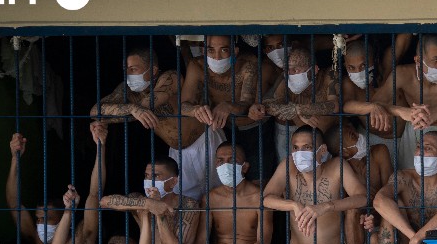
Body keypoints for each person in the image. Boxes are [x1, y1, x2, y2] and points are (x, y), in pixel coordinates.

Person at [99, 157, 200, 244]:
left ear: (173, 182)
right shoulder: (140, 201)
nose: (149, 181)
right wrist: (148, 204)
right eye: (146, 176)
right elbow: (104, 202)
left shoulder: (188, 205)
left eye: (156, 176)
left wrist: (158, 211)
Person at [7, 124, 105, 244]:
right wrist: (15, 159)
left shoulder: (81, 238)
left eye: (46, 219)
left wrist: (101, 147)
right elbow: (14, 203)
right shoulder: (38, 242)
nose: (40, 224)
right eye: (38, 219)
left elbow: (95, 194)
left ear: (62, 218)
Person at [373, 34, 437, 170]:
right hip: (416, 132)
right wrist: (401, 111)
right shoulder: (402, 73)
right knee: (411, 177)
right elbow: (375, 104)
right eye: (436, 59)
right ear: (418, 60)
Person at [89, 46, 205, 158]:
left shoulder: (170, 78)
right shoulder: (127, 90)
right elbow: (94, 112)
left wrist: (107, 119)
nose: (128, 74)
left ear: (153, 70)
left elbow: (146, 106)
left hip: (203, 141)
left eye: (133, 69)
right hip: (177, 152)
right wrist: (132, 108)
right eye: (126, 70)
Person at [179, 35, 257, 199]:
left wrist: (228, 105)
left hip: (250, 127)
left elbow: (247, 103)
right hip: (219, 128)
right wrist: (194, 110)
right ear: (203, 51)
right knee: (221, 179)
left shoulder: (247, 65)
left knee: (254, 182)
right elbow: (183, 105)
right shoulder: (197, 66)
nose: (217, 57)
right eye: (211, 50)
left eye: (224, 50)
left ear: (235, 51)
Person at [323, 120, 394, 244]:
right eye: (353, 136)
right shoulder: (340, 167)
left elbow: (391, 192)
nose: (359, 136)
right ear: (344, 152)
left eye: (355, 131)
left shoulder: (379, 152)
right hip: (353, 230)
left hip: (381, 219)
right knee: (352, 209)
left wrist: (375, 217)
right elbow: (344, 204)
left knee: (379, 237)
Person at [249, 47, 340, 166]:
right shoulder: (285, 78)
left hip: (332, 140)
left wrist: (299, 109)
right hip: (301, 144)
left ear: (314, 70)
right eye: (287, 70)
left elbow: (334, 105)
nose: (290, 74)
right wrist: (295, 110)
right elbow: (266, 104)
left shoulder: (330, 74)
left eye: (296, 70)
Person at [339, 39, 395, 145]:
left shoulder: (386, 70)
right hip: (373, 139)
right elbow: (345, 106)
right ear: (345, 66)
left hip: (409, 135)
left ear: (374, 60)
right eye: (351, 68)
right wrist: (372, 107)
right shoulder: (348, 83)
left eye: (363, 65)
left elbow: (402, 42)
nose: (358, 72)